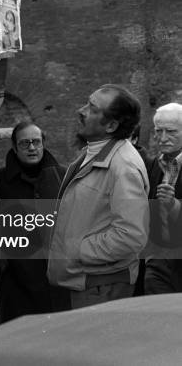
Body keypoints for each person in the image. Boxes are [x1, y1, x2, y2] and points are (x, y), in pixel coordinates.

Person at [48, 84, 149, 310]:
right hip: (85, 282)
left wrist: (77, 250)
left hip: (99, 287)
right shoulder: (94, 152)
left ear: (112, 125)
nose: (81, 111)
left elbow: (130, 236)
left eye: (92, 109)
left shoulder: (124, 167)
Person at [0, 121, 66, 323]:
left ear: (44, 144)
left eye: (36, 142)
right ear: (15, 148)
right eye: (25, 143)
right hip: (17, 284)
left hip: (59, 282)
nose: (32, 148)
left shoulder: (63, 177)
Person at [144, 103, 182, 294]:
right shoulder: (154, 165)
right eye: (159, 131)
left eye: (171, 132)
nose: (164, 138)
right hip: (157, 262)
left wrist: (174, 205)